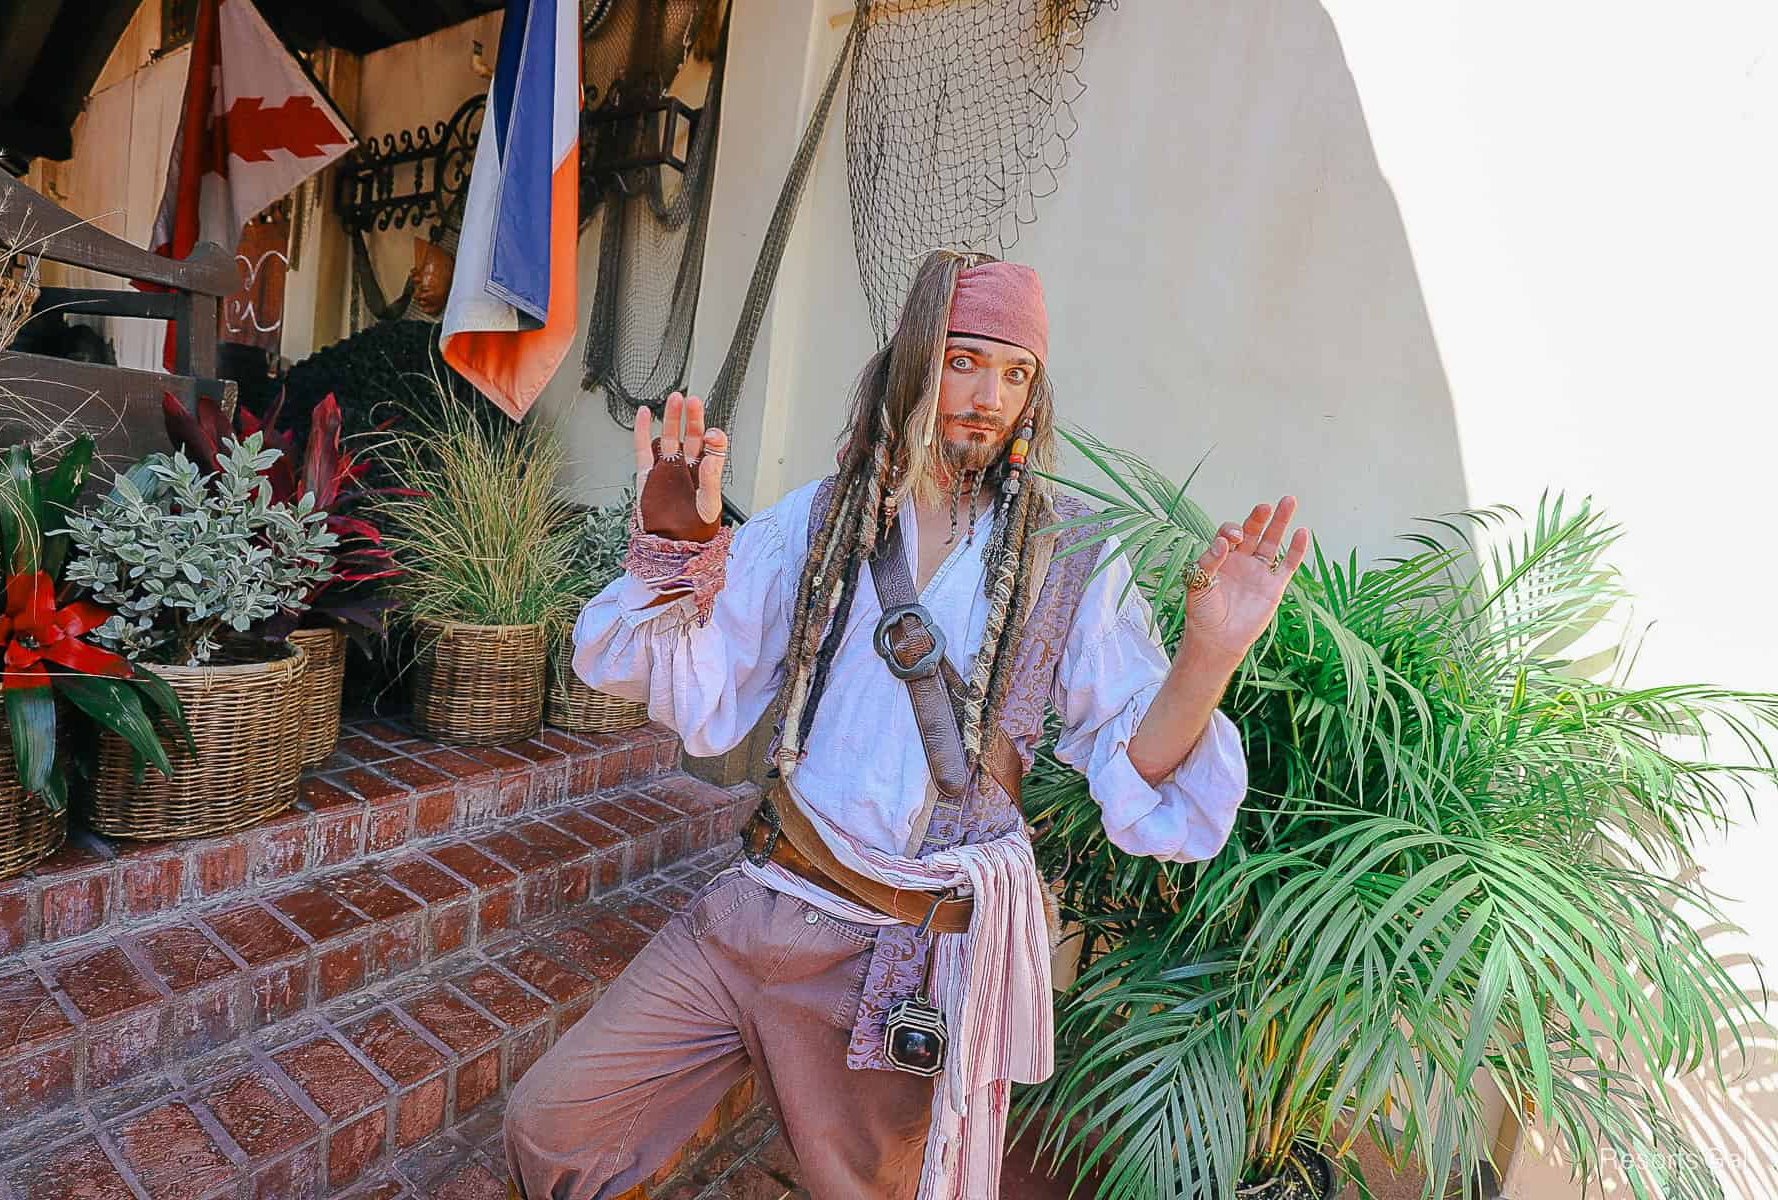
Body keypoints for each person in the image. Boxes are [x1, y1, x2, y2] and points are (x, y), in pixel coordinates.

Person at [504, 249, 1310, 1200]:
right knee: (555, 1122)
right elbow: (701, 685)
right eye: (965, 360)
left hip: (901, 955)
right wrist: (677, 546)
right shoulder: (824, 515)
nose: (989, 395)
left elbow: (1135, 773)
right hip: (760, 900)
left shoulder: (1071, 552)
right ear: (915, 362)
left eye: (1016, 374)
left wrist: (1209, 655)